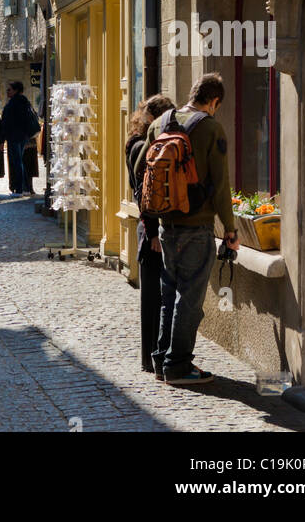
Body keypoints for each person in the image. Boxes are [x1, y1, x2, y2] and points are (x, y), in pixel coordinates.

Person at [134, 72, 239, 386]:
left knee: (170, 295)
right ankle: (179, 366)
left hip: (166, 227)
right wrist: (231, 230)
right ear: (214, 101)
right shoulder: (211, 128)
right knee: (189, 300)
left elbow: (140, 167)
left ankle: (162, 358)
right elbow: (221, 188)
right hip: (197, 228)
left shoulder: (160, 124)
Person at [125, 92, 173, 371]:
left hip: (149, 229)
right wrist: (153, 232)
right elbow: (144, 194)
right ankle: (152, 357)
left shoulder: (140, 142)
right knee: (153, 298)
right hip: (149, 231)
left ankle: (154, 357)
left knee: (157, 297)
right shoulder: (140, 146)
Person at [1, 81, 40, 195]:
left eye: (9, 89)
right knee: (20, 162)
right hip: (24, 136)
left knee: (17, 162)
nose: (7, 92)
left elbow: (7, 122)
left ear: (16, 90)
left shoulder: (13, 104)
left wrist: (3, 137)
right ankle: (26, 188)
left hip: (14, 136)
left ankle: (19, 189)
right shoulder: (25, 102)